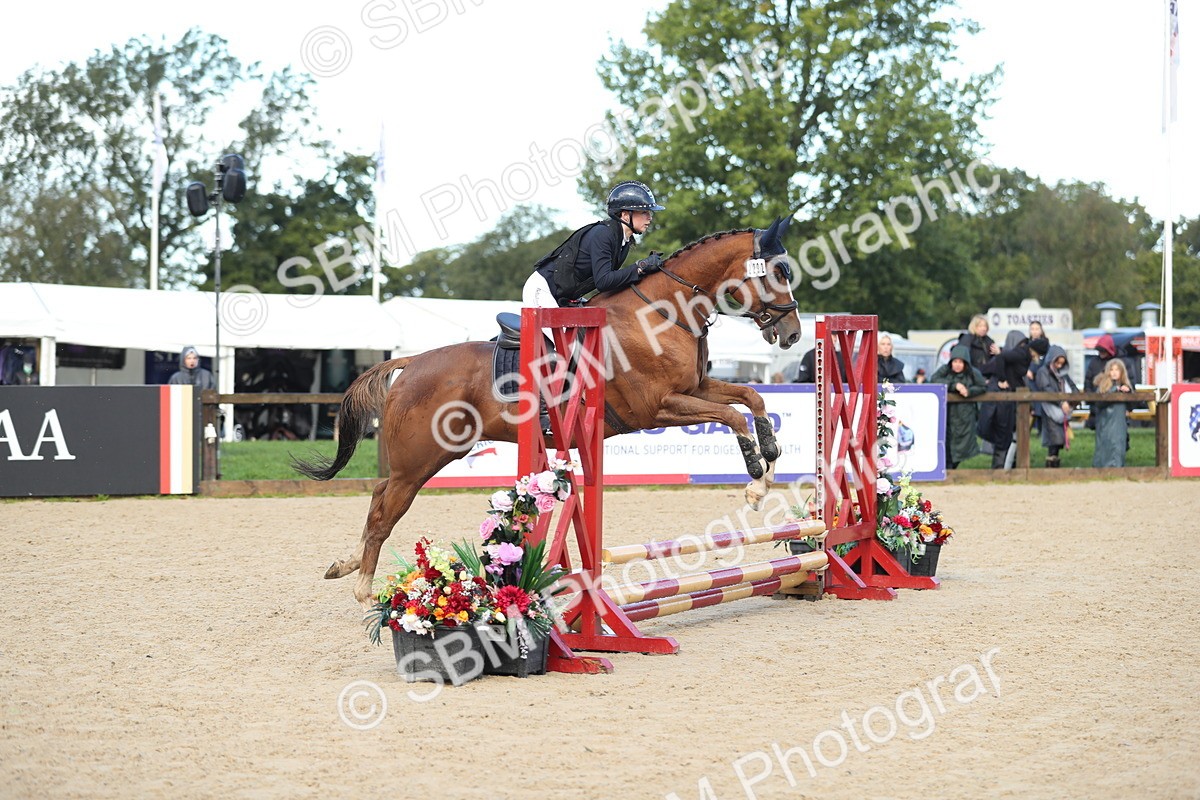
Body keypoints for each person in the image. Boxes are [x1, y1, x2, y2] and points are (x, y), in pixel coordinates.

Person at [523, 180, 666, 309]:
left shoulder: (624, 242)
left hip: (566, 295)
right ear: (625, 215)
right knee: (567, 339)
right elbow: (603, 281)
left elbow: (612, 282)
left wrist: (645, 271)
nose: (650, 217)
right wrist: (640, 267)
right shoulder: (603, 234)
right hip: (543, 290)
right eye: (644, 212)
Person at [979, 331, 1033, 469]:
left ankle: (1006, 467)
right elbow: (984, 371)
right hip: (1000, 405)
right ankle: (999, 468)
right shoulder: (999, 361)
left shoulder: (1016, 363)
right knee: (1002, 437)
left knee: (1011, 438)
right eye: (1020, 344)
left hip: (1013, 406)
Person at [929, 344, 985, 469]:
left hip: (964, 417)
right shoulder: (945, 370)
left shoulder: (973, 373)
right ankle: (946, 469)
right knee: (946, 442)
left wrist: (969, 392)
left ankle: (952, 468)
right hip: (947, 415)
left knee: (962, 446)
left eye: (960, 362)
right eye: (955, 361)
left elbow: (982, 387)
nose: (957, 364)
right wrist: (955, 385)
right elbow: (934, 379)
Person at [1034, 345, 1079, 468]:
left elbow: (1073, 387)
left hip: (1062, 408)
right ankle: (1051, 465)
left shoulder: (1063, 374)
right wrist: (1060, 401)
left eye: (1061, 363)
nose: (1059, 366)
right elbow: (1046, 389)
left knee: (1058, 440)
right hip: (1050, 409)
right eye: (1057, 363)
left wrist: (1072, 401)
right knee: (1054, 439)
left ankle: (1054, 463)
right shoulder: (1043, 372)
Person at [1092, 359, 1133, 467]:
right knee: (1104, 445)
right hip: (1105, 422)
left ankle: (1117, 468)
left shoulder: (1126, 386)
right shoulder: (1102, 386)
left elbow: (1133, 405)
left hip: (1119, 423)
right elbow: (1099, 403)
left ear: (1122, 372)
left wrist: (1128, 392)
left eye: (1117, 370)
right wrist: (1114, 391)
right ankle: (1100, 468)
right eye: (1111, 369)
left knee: (1118, 445)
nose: (1114, 372)